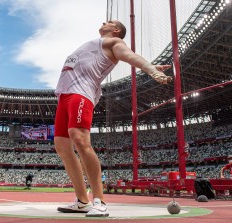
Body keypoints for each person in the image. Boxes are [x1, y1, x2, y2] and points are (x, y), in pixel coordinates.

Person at [54, 20, 172, 217]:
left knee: (79, 138)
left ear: (117, 30)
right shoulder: (93, 43)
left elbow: (129, 56)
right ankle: (82, 201)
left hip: (81, 94)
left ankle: (99, 201)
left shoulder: (114, 42)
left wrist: (150, 68)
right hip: (64, 96)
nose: (103, 22)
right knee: (61, 146)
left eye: (109, 22)